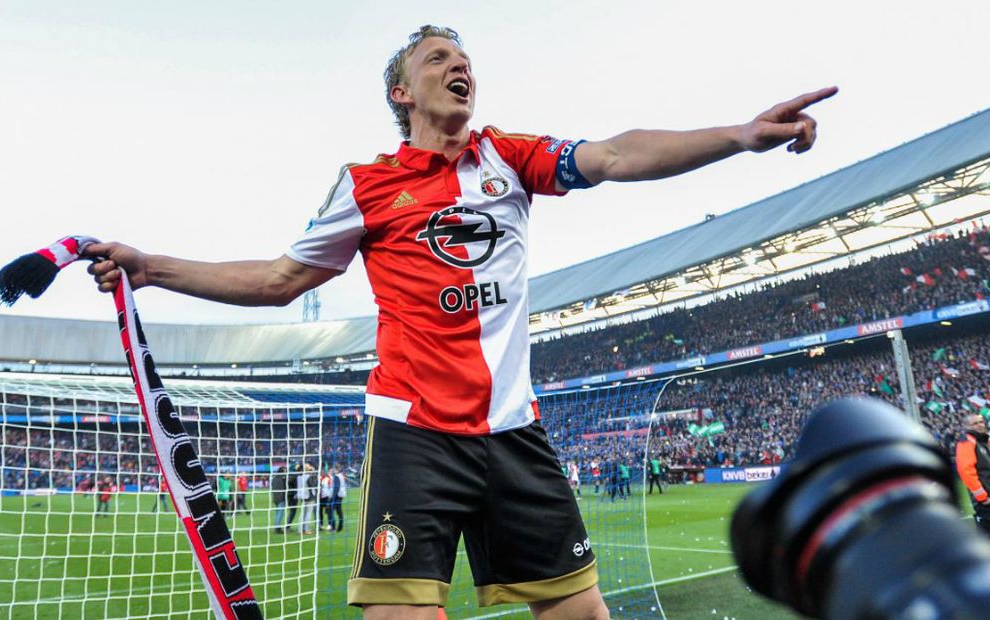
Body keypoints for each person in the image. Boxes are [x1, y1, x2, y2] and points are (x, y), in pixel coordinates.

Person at [84, 24, 834, 619]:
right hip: (415, 433)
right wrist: (154, 268)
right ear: (401, 91)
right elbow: (283, 280)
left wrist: (737, 136)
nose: (459, 66)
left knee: (580, 612)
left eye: (465, 58)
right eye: (439, 57)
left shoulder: (508, 158)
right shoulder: (368, 185)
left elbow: (613, 155)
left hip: (514, 430)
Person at [956, 414, 990, 535]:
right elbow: (966, 471)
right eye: (975, 423)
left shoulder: (982, 441)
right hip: (985, 501)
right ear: (966, 427)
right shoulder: (967, 442)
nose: (980, 425)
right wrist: (983, 497)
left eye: (981, 422)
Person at [271, 465, 289, 533]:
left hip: (275, 497)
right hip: (281, 497)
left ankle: (277, 526)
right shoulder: (283, 478)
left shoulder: (274, 478)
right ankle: (277, 528)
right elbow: (284, 488)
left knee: (278, 512)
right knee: (280, 513)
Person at [330, 465, 347, 533]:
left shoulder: (337, 476)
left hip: (337, 496)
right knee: (339, 512)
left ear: (336, 469)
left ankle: (333, 527)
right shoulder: (341, 476)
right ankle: (340, 527)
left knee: (330, 511)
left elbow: (336, 487)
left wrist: (332, 497)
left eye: (333, 469)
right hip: (341, 495)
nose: (332, 470)